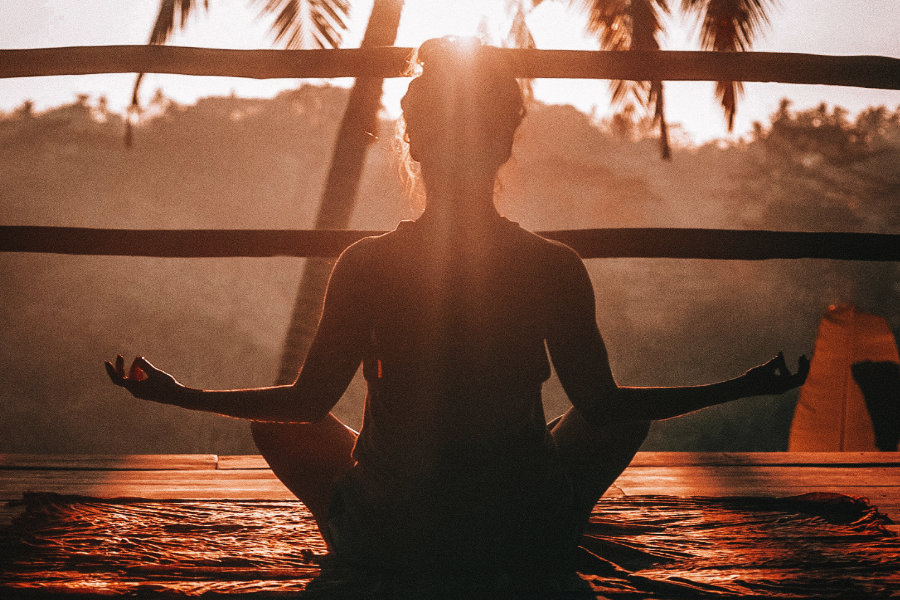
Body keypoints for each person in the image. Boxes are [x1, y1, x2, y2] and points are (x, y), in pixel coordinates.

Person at [106, 37, 808, 593]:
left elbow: (305, 403)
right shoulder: (551, 265)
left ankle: (364, 539)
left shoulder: (368, 264)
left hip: (394, 533)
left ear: (412, 142)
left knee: (278, 426)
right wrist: (742, 386)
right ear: (505, 144)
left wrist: (179, 394)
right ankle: (549, 529)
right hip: (520, 532)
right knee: (612, 419)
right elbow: (603, 403)